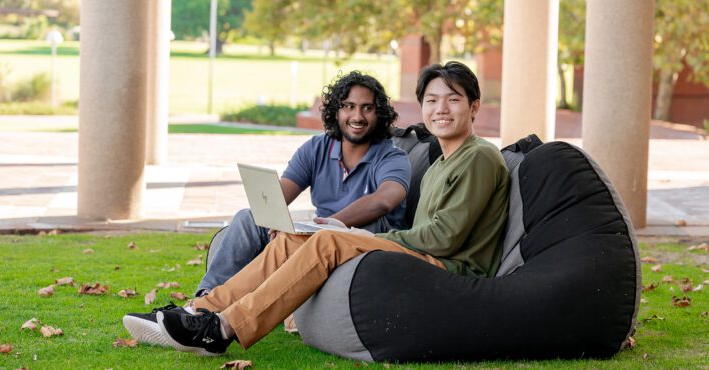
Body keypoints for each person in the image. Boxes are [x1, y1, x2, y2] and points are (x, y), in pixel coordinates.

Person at [126, 61, 510, 356]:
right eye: (432, 100)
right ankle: (198, 311)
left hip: (448, 267)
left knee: (327, 241)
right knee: (293, 237)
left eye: (453, 99)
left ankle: (222, 330)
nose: (441, 108)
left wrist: (351, 232)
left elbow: (444, 237)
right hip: (419, 252)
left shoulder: (478, 157)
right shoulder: (443, 161)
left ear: (474, 106)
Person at [123, 71, 412, 344]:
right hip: (315, 235)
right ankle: (200, 306)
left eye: (367, 108)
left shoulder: (391, 156)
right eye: (348, 106)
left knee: (312, 234)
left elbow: (385, 199)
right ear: (336, 112)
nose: (357, 116)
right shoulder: (317, 148)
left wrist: (328, 225)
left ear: (379, 114)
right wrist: (274, 217)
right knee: (249, 218)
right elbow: (280, 194)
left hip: (358, 238)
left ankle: (202, 317)